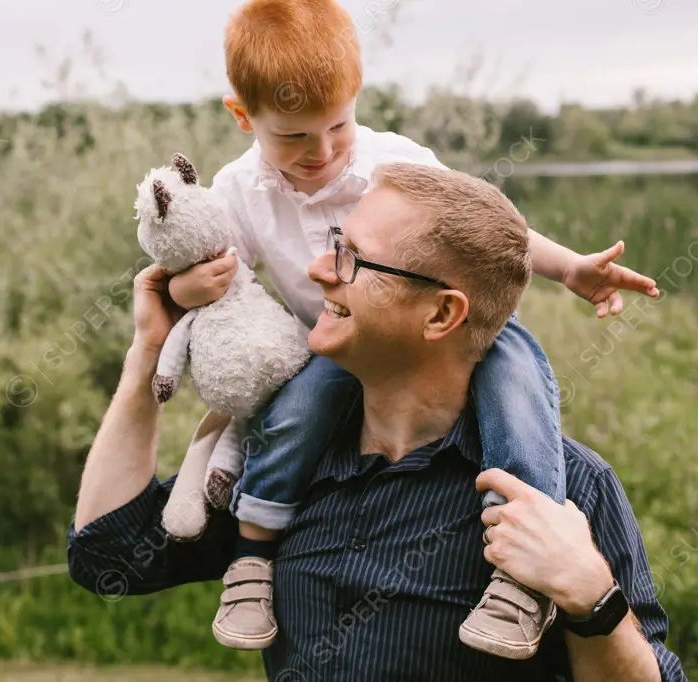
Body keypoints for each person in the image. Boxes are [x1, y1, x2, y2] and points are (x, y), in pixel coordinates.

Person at [160, 0, 661, 656]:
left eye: (338, 126)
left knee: (518, 391)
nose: (323, 152)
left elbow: (489, 235)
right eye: (295, 137)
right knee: (292, 415)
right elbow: (200, 266)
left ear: (357, 99)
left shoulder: (392, 161)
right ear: (242, 115)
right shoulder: (239, 190)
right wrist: (182, 288)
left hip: (446, 330)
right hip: (340, 345)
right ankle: (254, 557)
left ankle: (520, 569)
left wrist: (569, 269)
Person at [67, 163, 685, 681]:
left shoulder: (566, 493)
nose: (317, 271)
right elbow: (108, 556)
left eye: (352, 260)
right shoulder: (282, 458)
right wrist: (148, 350)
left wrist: (592, 599)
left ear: (441, 314)